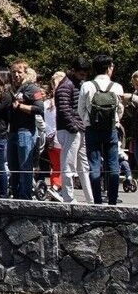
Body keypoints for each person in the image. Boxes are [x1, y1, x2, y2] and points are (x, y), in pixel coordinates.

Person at [79, 55, 126, 206]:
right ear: (108, 68)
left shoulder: (87, 85)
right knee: (113, 165)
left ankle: (97, 201)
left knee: (94, 165)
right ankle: (112, 201)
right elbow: (120, 110)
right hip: (111, 129)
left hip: (92, 129)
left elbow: (80, 109)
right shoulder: (117, 87)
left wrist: (88, 121)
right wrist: (115, 121)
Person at [7, 63, 45, 201]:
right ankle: (15, 195)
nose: (16, 75)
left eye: (19, 72)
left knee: (25, 166)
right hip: (12, 131)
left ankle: (25, 197)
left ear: (25, 73)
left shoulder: (32, 88)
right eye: (13, 72)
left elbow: (39, 108)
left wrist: (21, 106)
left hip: (26, 132)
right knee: (12, 166)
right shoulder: (12, 89)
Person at [55, 57, 90, 203]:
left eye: (85, 74)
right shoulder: (66, 85)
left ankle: (91, 198)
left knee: (83, 165)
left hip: (77, 128)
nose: (84, 77)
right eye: (81, 74)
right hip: (70, 129)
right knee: (69, 163)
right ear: (74, 71)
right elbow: (63, 108)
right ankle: (68, 198)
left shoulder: (75, 83)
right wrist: (74, 127)